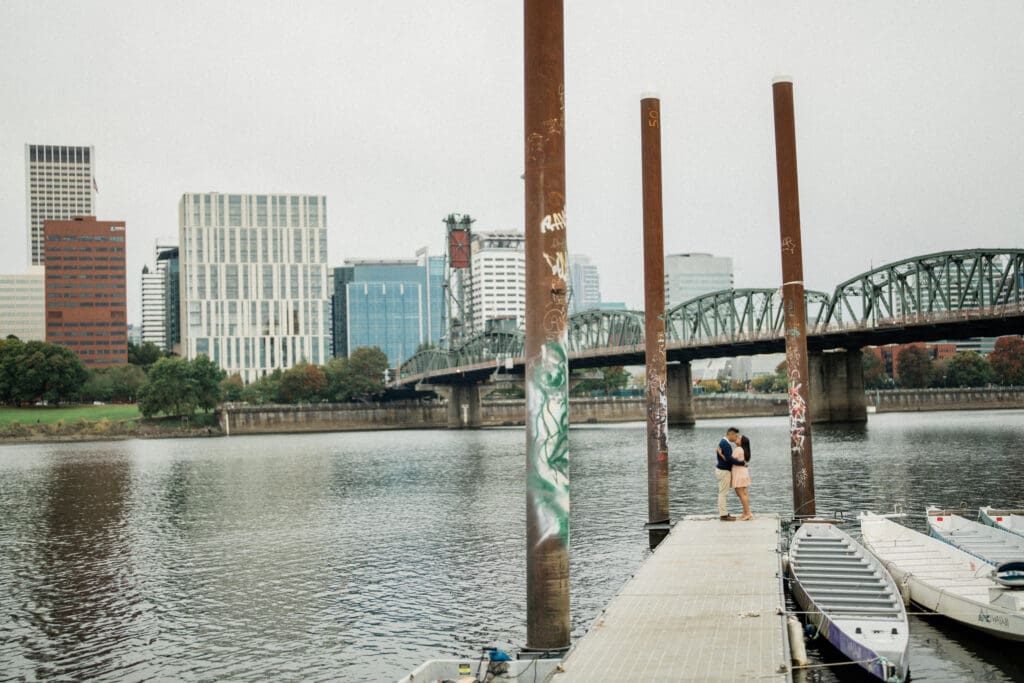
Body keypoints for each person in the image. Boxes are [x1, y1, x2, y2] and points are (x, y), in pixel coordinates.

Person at [715, 427, 743, 521]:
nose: (736, 438)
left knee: (723, 492)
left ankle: (724, 513)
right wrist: (742, 463)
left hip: (722, 470)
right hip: (724, 471)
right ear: (730, 434)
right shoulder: (725, 444)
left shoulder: (723, 442)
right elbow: (729, 459)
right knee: (723, 493)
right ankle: (723, 515)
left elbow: (726, 458)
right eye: (735, 435)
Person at [731, 434, 753, 521]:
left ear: (742, 442)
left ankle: (747, 513)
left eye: (739, 438)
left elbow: (730, 460)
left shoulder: (738, 449)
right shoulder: (744, 450)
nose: (737, 438)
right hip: (743, 473)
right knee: (744, 493)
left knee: (741, 494)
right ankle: (746, 512)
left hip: (739, 474)